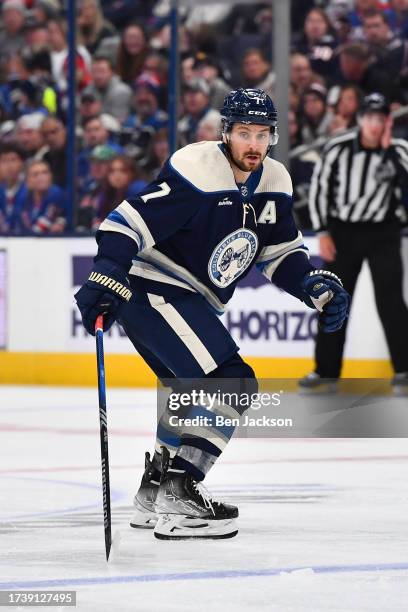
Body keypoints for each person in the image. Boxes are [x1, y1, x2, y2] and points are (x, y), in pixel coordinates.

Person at [74, 88, 349, 540]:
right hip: (154, 290)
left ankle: (156, 487)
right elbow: (123, 223)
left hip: (190, 298)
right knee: (232, 381)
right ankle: (181, 492)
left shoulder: (275, 180)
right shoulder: (198, 168)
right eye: (244, 133)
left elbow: (278, 251)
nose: (254, 145)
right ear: (225, 133)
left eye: (263, 134)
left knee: (188, 392)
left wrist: (309, 283)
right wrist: (107, 270)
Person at [301, 93, 408, 392]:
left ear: (387, 122)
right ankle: (326, 371)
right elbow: (320, 190)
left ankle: (405, 368)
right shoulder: (338, 148)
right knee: (333, 299)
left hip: (384, 233)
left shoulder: (399, 151)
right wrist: (322, 232)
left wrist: (390, 154)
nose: (374, 124)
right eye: (369, 117)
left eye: (380, 118)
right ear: (360, 118)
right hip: (343, 233)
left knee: (391, 303)